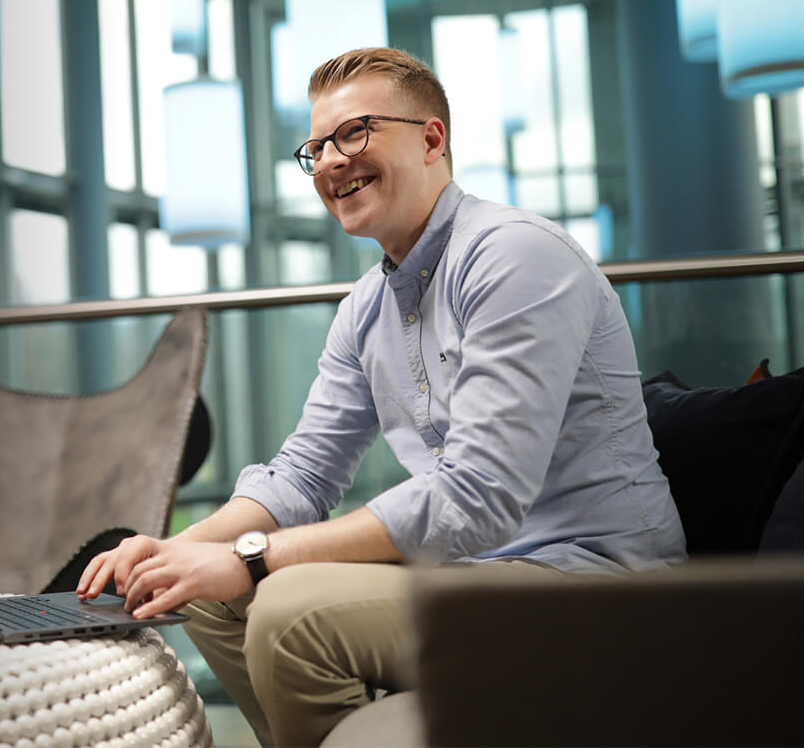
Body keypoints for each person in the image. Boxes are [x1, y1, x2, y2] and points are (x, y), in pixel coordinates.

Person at [77, 47, 686, 747]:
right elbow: (302, 476)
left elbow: (477, 495)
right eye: (318, 146)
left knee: (283, 610)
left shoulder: (515, 256)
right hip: (474, 574)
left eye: (356, 131)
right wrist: (172, 551)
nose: (332, 159)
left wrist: (249, 558)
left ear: (432, 139)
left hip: (595, 583)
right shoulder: (367, 306)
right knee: (208, 601)